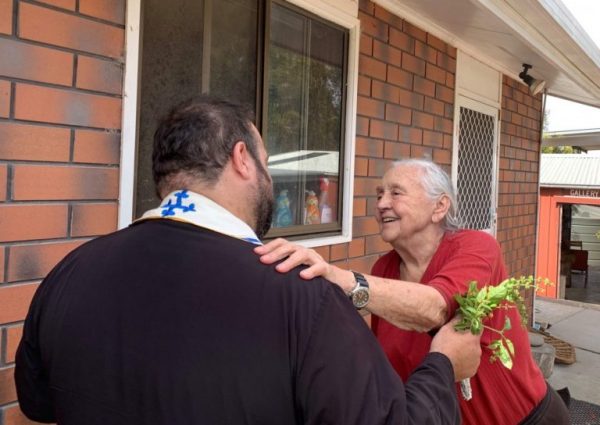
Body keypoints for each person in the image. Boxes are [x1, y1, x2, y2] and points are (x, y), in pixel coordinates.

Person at [15, 98, 482, 425]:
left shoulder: (69, 273)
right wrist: (442, 364)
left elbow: (37, 403)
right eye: (265, 160)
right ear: (242, 159)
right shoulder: (301, 295)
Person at [256, 159, 570, 425]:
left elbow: (435, 307)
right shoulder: (384, 270)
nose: (381, 204)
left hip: (528, 418)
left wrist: (337, 275)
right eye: (379, 194)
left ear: (440, 206)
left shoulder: (475, 246)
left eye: (396, 193)